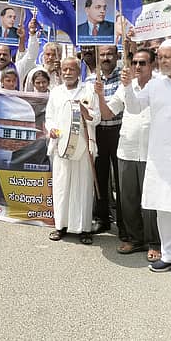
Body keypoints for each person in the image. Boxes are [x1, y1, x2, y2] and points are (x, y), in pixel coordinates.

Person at [123, 33, 171, 283]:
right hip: (158, 158)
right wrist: (127, 86)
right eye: (160, 57)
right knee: (162, 208)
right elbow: (135, 107)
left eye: (168, 57)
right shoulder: (155, 84)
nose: (163, 61)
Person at [104, 48, 161, 262]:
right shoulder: (124, 85)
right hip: (127, 149)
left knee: (150, 199)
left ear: (153, 65)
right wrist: (99, 98)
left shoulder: (160, 86)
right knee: (128, 198)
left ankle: (154, 242)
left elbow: (138, 107)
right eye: (135, 62)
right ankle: (134, 239)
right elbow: (110, 111)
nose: (138, 66)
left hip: (150, 151)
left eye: (143, 63)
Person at [45, 57, 101, 244]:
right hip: (62, 146)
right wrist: (51, 129)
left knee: (83, 187)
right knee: (62, 187)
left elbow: (97, 117)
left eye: (72, 69)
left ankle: (84, 228)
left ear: (79, 71)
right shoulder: (56, 92)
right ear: (60, 72)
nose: (68, 73)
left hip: (83, 147)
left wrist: (86, 113)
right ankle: (61, 226)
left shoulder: (89, 90)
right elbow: (49, 117)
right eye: (64, 69)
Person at [90, 45, 123, 237]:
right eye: (102, 54)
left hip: (119, 131)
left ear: (117, 55)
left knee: (121, 179)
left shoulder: (125, 76)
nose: (105, 57)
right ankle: (102, 218)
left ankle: (124, 221)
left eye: (109, 54)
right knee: (100, 178)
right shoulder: (90, 78)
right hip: (99, 131)